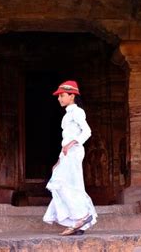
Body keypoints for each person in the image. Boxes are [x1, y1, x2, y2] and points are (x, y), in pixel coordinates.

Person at [43, 80, 97, 236]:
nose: (59, 99)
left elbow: (87, 131)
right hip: (68, 153)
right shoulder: (68, 113)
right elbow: (66, 140)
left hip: (74, 152)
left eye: (62, 95)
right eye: (59, 96)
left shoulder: (77, 112)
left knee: (62, 184)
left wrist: (74, 143)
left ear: (72, 96)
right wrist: (59, 160)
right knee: (67, 184)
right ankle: (79, 223)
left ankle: (81, 216)